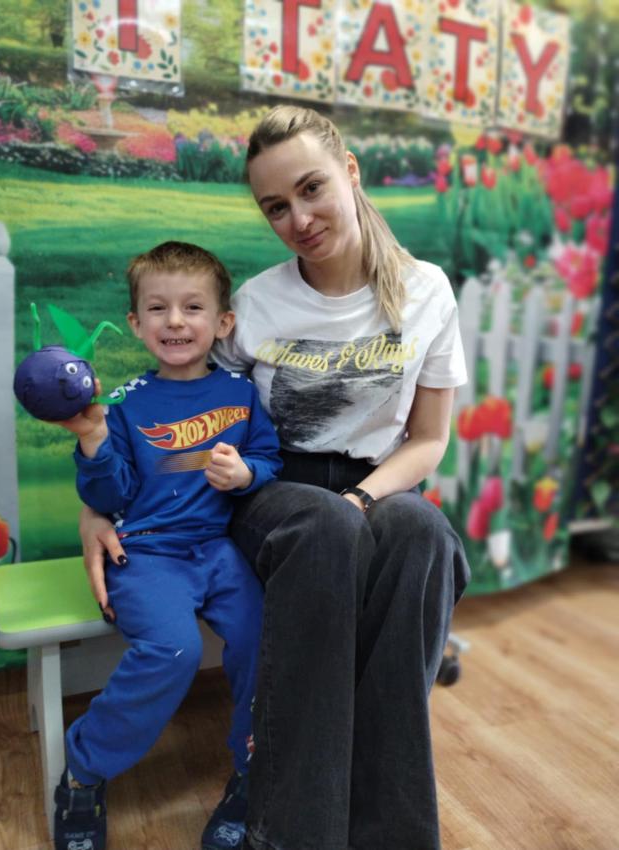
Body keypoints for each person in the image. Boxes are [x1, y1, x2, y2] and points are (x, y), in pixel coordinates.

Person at [80, 105, 471, 850]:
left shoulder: (427, 291)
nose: (299, 218)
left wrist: (362, 497)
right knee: (324, 526)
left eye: (311, 189)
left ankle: (393, 833)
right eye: (276, 207)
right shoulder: (258, 302)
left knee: (422, 530)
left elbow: (428, 440)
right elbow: (184, 412)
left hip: (379, 480)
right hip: (269, 488)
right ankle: (290, 827)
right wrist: (97, 510)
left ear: (349, 173)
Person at [51, 241, 282, 850]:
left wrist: (247, 474)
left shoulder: (240, 393)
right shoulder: (125, 404)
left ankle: (251, 772)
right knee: (175, 650)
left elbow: (268, 457)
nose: (175, 321)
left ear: (223, 322)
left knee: (264, 637)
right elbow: (111, 493)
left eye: (192, 307)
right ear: (136, 323)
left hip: (219, 549)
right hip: (146, 554)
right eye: (157, 308)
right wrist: (94, 438)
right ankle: (83, 771)